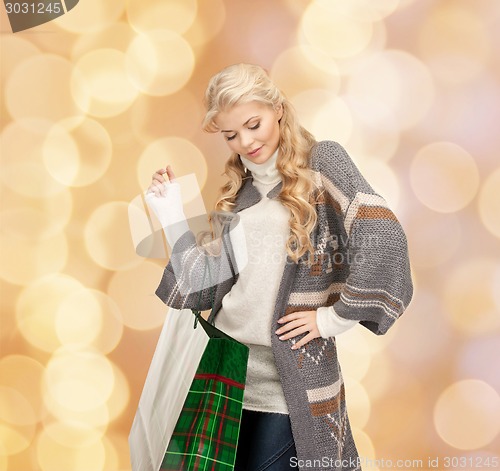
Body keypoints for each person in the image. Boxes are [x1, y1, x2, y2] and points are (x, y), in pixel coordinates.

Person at [145, 63, 413, 471]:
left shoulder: (323, 162)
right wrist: (169, 213)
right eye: (231, 135)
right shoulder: (241, 191)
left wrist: (331, 320)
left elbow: (384, 236)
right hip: (225, 377)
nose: (246, 142)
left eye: (253, 124)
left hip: (289, 389)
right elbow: (201, 287)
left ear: (278, 110)